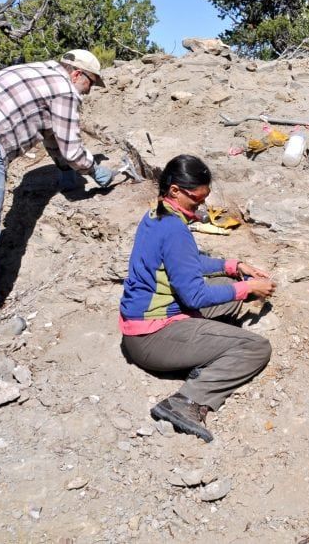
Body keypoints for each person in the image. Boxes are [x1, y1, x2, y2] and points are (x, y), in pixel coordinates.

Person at [0, 49, 116, 338]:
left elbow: (52, 137)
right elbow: (72, 148)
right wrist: (94, 170)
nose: (89, 92)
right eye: (91, 84)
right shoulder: (65, 90)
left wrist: (67, 175)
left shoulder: (36, 72)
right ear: (77, 74)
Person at [119, 154, 275, 442]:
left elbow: (185, 263)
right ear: (175, 190)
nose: (200, 208)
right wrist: (247, 289)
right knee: (255, 348)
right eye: (196, 200)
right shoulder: (175, 229)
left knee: (229, 285)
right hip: (151, 337)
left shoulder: (157, 215)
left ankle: (203, 354)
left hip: (147, 325)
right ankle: (186, 401)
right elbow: (195, 294)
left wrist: (233, 266)